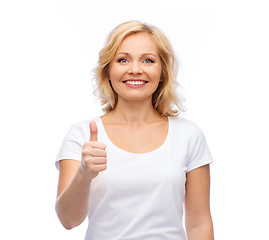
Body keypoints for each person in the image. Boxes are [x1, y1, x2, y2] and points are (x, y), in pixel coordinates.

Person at [55, 20, 214, 240]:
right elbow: (68, 221)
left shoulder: (189, 135)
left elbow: (199, 224)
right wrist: (84, 174)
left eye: (148, 60)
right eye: (123, 60)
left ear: (162, 73)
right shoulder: (82, 135)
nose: (135, 70)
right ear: (108, 71)